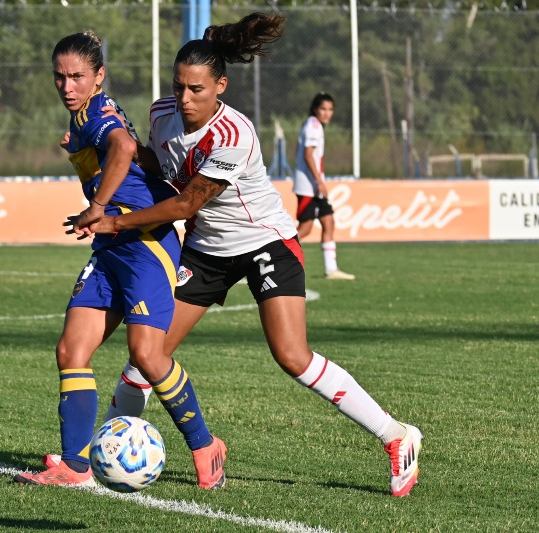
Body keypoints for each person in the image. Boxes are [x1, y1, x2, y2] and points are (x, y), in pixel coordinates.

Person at [70, 13, 422, 497]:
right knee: (149, 353)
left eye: (196, 89)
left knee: (292, 356)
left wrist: (114, 219)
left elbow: (187, 200)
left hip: (263, 244)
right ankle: (100, 455)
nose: (185, 98)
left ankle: (396, 436)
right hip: (206, 250)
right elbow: (159, 167)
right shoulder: (161, 112)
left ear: (220, 86)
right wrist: (111, 151)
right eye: (179, 86)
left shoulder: (234, 135)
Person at [13, 30, 226, 490]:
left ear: (98, 77)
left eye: (77, 77)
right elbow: (136, 152)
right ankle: (74, 465)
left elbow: (124, 148)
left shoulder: (96, 113)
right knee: (72, 351)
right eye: (60, 77)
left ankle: (205, 444)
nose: (67, 86)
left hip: (144, 243)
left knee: (148, 356)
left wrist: (98, 206)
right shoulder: (85, 116)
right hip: (111, 246)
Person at [293, 92, 355, 280]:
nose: (327, 113)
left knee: (329, 222)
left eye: (330, 109)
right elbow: (308, 154)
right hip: (309, 188)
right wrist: (319, 182)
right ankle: (265, 256)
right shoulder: (313, 125)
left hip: (314, 187)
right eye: (323, 109)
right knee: (305, 229)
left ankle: (331, 269)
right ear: (315, 109)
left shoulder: (315, 125)